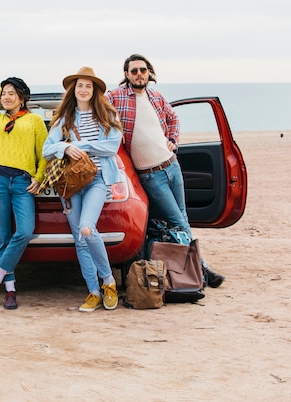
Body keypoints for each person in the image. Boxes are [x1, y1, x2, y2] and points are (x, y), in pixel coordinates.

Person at [105, 53, 225, 288]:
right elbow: (96, 105)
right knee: (178, 222)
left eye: (142, 70)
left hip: (172, 166)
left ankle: (195, 267)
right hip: (150, 175)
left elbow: (174, 119)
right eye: (134, 71)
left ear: (148, 72)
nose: (139, 74)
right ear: (126, 75)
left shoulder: (156, 97)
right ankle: (202, 269)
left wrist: (173, 139)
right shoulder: (117, 96)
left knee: (183, 219)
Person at [42, 67, 123, 312]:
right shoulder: (64, 118)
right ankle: (93, 291)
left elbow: (112, 147)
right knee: (79, 239)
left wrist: (79, 144)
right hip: (71, 184)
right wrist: (64, 149)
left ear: (95, 90)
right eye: (80, 86)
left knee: (88, 229)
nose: (84, 90)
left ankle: (108, 282)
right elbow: (47, 148)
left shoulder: (106, 116)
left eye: (88, 86)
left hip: (97, 179)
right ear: (73, 90)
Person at [0, 77, 48, 310]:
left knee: (25, 231)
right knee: (2, 236)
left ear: (22, 97)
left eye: (12, 93)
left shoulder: (34, 121)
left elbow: (44, 154)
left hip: (22, 183)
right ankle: (10, 291)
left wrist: (39, 178)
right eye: (4, 93)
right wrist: (0, 89)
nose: (7, 97)